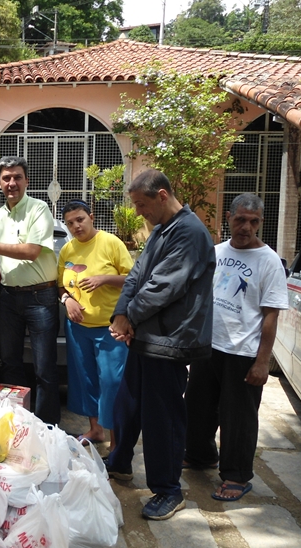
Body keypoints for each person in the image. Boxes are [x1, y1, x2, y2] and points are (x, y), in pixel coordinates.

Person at [106, 169, 215, 521]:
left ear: (163, 195)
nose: (139, 212)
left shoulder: (190, 232)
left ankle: (169, 490)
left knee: (162, 417)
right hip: (147, 337)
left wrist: (130, 317)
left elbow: (164, 286)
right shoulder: (161, 231)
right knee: (128, 406)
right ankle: (119, 463)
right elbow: (138, 275)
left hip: (171, 340)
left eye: (142, 205)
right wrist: (121, 314)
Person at [184, 193, 288, 501]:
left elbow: (270, 316)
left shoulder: (269, 261)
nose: (246, 227)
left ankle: (237, 476)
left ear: (260, 223)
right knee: (198, 408)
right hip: (209, 346)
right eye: (240, 219)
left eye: (253, 221)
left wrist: (262, 362)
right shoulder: (216, 252)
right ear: (228, 217)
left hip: (244, 353)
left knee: (238, 418)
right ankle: (202, 456)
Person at [0, 156, 60, 425]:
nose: (12, 183)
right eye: (6, 178)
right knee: (10, 363)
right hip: (6, 298)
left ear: (26, 181)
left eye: (17, 177)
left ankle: (47, 427)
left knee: (44, 368)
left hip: (40, 298)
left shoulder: (39, 209)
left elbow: (31, 251)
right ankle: (18, 423)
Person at [58, 200, 132, 451]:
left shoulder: (111, 243)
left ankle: (117, 440)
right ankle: (96, 430)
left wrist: (105, 278)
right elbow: (60, 284)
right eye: (70, 223)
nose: (76, 226)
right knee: (85, 381)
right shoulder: (67, 250)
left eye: (80, 219)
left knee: (112, 382)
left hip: (110, 328)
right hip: (78, 329)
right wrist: (66, 300)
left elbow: (133, 279)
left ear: (91, 217)